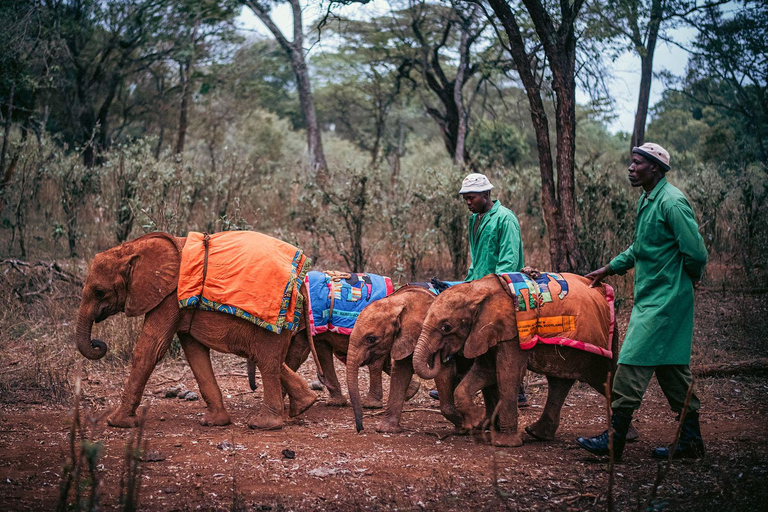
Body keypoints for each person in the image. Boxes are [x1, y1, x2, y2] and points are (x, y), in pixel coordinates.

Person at [576, 143, 708, 461]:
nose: (631, 168)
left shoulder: (672, 203)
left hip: (667, 301)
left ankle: (614, 442)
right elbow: (640, 248)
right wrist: (609, 268)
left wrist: (689, 279)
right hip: (652, 297)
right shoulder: (648, 200)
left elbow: (697, 253)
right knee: (672, 370)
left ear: (655, 168)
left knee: (632, 360)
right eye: (631, 163)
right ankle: (690, 444)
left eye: (638, 164)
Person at [429, 173, 528, 404]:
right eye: (465, 198)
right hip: (480, 288)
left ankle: (516, 391)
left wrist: (482, 291)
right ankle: (462, 380)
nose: (468, 202)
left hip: (500, 291)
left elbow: (508, 263)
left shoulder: (506, 219)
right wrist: (464, 288)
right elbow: (476, 262)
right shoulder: (475, 220)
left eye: (471, 197)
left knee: (499, 341)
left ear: (486, 194)